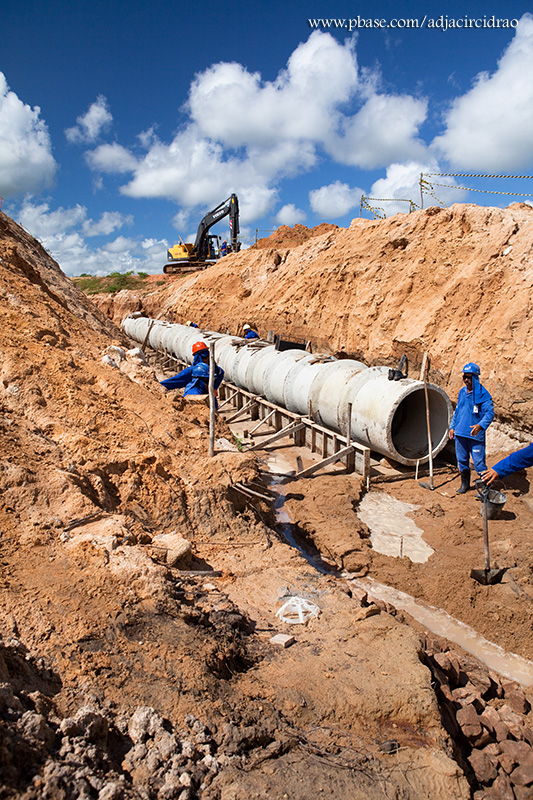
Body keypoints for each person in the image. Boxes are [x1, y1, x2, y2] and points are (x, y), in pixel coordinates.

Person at [449, 362, 494, 494]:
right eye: (464, 377)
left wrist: (480, 425)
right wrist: (452, 427)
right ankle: (465, 484)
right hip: (460, 434)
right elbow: (457, 411)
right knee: (462, 460)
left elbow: (490, 413)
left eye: (469, 377)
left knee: (479, 463)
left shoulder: (483, 395)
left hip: (475, 436)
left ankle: (485, 488)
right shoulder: (462, 392)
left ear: (475, 378)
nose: (466, 380)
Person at [160, 341, 224, 400]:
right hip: (197, 395)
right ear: (198, 357)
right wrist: (159, 386)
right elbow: (175, 381)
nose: (207, 359)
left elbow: (221, 373)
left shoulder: (214, 369)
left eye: (208, 356)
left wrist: (214, 387)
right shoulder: (193, 371)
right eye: (204, 357)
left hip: (208, 395)